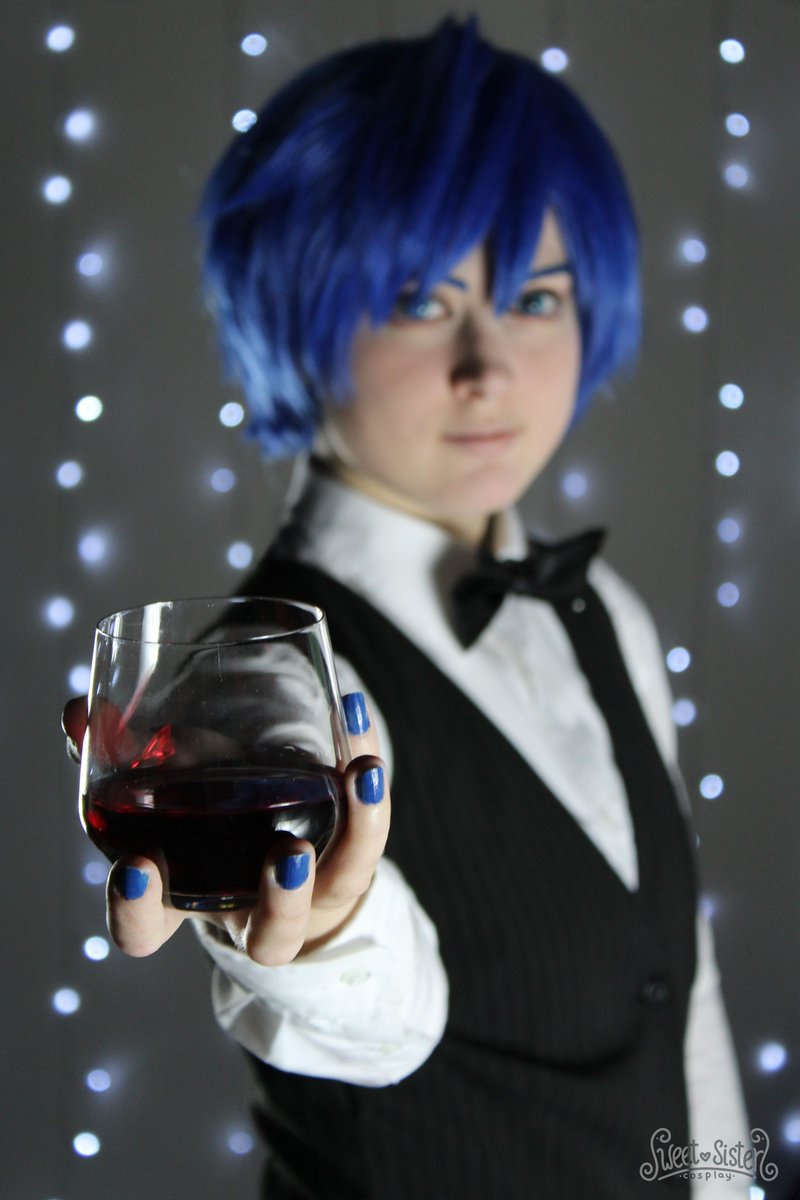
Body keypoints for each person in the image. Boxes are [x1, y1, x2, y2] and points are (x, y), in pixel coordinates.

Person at [64, 16, 750, 1199]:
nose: (490, 367)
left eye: (535, 297)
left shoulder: (608, 612)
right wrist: (318, 923)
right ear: (296, 311)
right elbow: (380, 1020)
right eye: (420, 301)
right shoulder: (264, 668)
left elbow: (684, 1013)